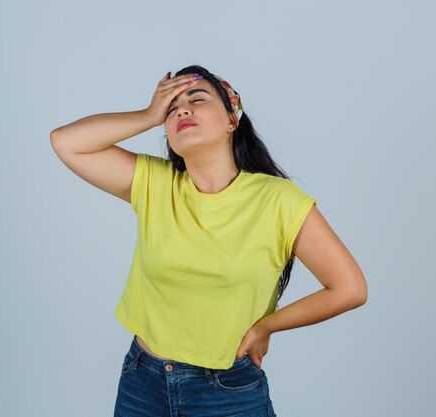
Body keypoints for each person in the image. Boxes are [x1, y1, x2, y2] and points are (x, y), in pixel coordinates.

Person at [50, 65, 368, 417]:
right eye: (172, 107)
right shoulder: (155, 183)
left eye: (196, 99)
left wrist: (267, 325)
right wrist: (148, 115)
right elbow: (66, 142)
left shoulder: (279, 200)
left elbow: (349, 288)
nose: (181, 109)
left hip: (227, 391)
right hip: (143, 383)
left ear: (233, 118)